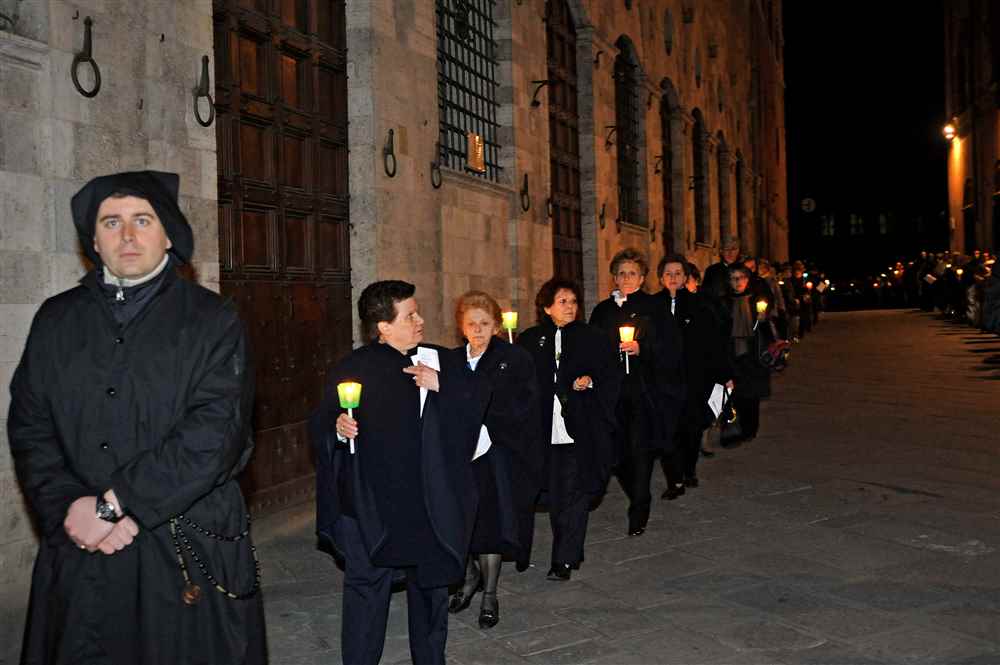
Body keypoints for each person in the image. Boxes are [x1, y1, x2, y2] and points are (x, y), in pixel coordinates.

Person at [8, 171, 264, 665]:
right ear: (94, 241)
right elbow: (29, 425)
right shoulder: (55, 319)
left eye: (142, 220)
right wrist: (69, 505)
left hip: (180, 544)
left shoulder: (214, 319)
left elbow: (216, 434)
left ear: (168, 235)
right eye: (111, 222)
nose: (127, 235)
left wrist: (113, 505)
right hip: (80, 541)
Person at [313, 280, 487, 665]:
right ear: (384, 326)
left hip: (426, 501)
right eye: (410, 315)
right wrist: (338, 429)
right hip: (371, 504)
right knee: (365, 588)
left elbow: (480, 400)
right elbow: (321, 426)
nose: (420, 320)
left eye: (417, 312)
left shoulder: (439, 360)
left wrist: (441, 385)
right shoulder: (352, 368)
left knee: (430, 590)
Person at [446, 291, 541, 629]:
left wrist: (486, 421)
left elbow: (524, 406)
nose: (478, 330)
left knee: (490, 523)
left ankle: (490, 594)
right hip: (459, 455)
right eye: (471, 323)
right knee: (459, 521)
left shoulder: (514, 358)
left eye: (484, 323)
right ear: (461, 327)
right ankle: (469, 575)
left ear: (497, 326)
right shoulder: (451, 361)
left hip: (497, 453)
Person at [517, 279, 620, 580]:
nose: (570, 307)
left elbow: (611, 376)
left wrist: (590, 382)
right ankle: (567, 547)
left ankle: (564, 559)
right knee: (556, 496)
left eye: (573, 302)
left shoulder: (593, 337)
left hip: (579, 427)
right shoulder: (530, 339)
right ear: (547, 307)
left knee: (574, 494)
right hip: (543, 430)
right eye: (562, 302)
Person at [588, 249, 668, 536]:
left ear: (642, 277)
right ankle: (636, 493)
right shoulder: (603, 311)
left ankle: (640, 506)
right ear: (614, 277)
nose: (626, 278)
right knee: (617, 453)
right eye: (621, 273)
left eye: (632, 273)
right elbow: (592, 346)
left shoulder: (653, 307)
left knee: (639, 449)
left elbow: (668, 346)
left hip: (643, 391)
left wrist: (641, 348)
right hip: (611, 392)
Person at [653, 255, 733, 492]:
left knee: (691, 428)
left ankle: (689, 470)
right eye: (668, 274)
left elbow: (714, 343)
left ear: (686, 277)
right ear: (660, 278)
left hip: (694, 377)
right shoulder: (652, 305)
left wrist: (725, 374)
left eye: (678, 273)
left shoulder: (700, 305)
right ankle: (674, 478)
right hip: (663, 379)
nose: (673, 278)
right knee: (668, 429)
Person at [725, 265, 772, 444]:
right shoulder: (725, 302)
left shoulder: (755, 300)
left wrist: (762, 319)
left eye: (742, 277)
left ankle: (750, 429)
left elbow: (767, 332)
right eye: (734, 278)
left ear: (748, 279)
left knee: (752, 394)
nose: (738, 282)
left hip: (752, 353)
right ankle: (736, 428)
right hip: (732, 353)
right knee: (735, 394)